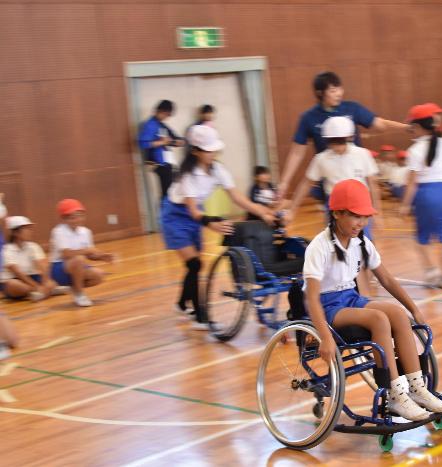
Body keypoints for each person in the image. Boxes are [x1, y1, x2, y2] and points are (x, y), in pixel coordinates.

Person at [303, 179, 442, 421]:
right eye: (355, 216)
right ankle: (395, 394)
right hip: (327, 305)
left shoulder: (361, 242)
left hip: (350, 297)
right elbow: (310, 298)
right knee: (378, 319)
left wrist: (413, 307)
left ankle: (417, 388)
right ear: (337, 213)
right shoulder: (319, 247)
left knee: (396, 313)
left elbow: (387, 280)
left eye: (365, 217)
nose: (361, 223)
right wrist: (326, 337)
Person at [161, 125, 275, 330]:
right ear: (195, 150)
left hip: (194, 215)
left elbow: (236, 196)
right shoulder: (188, 175)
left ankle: (181, 303)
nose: (212, 153)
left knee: (194, 265)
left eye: (213, 149)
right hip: (176, 216)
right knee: (195, 264)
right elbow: (194, 212)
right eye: (207, 149)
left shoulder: (217, 169)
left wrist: (261, 211)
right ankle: (199, 316)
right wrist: (213, 224)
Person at [277, 72, 410, 200]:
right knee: (335, 217)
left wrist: (405, 127)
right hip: (332, 180)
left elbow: (380, 124)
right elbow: (296, 153)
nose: (339, 94)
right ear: (320, 93)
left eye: (339, 88)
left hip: (356, 176)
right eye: (333, 91)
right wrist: (284, 182)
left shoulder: (352, 108)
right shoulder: (308, 118)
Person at [399, 103, 442, 289]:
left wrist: (404, 205)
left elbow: (412, 182)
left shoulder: (415, 150)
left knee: (422, 237)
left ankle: (431, 271)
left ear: (417, 127)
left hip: (426, 194)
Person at [49, 199, 113, 307]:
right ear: (64, 219)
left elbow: (91, 254)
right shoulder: (59, 231)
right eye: (72, 217)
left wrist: (102, 256)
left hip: (78, 266)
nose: (77, 220)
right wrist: (86, 250)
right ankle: (79, 294)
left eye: (80, 216)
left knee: (99, 275)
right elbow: (66, 254)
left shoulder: (86, 232)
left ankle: (74, 287)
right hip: (59, 268)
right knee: (79, 259)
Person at [2, 216, 65, 301]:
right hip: (16, 280)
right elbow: (17, 272)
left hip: (33, 277)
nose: (30, 232)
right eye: (26, 229)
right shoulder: (7, 250)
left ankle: (36, 293)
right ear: (15, 233)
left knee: (50, 283)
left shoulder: (33, 246)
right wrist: (36, 286)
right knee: (13, 284)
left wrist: (46, 280)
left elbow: (42, 264)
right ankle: (43, 292)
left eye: (30, 229)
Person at [138, 100, 185, 199]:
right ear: (161, 111)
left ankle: (168, 211)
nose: (166, 117)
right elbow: (143, 143)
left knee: (171, 193)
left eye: (168, 115)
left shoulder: (161, 125)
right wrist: (162, 142)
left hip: (167, 162)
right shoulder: (150, 125)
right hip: (158, 163)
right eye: (166, 114)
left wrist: (176, 142)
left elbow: (174, 138)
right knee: (166, 195)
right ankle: (165, 213)